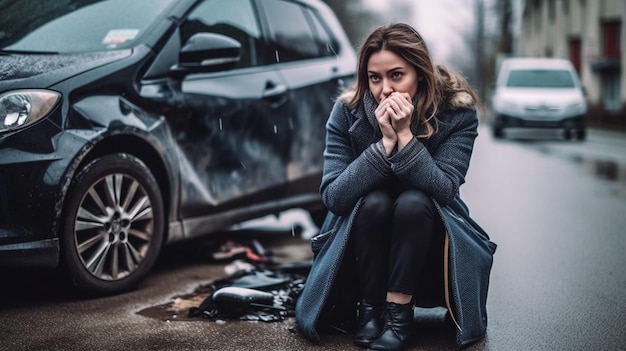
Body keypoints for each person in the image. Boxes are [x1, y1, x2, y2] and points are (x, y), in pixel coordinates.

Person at [295, 23, 497, 350]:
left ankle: (399, 317)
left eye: (396, 75)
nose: (385, 89)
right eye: (375, 78)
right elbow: (334, 196)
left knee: (414, 201)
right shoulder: (347, 112)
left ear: (420, 73)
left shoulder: (456, 112)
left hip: (430, 250)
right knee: (373, 201)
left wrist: (404, 138)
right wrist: (383, 144)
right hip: (360, 246)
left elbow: (445, 189)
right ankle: (369, 312)